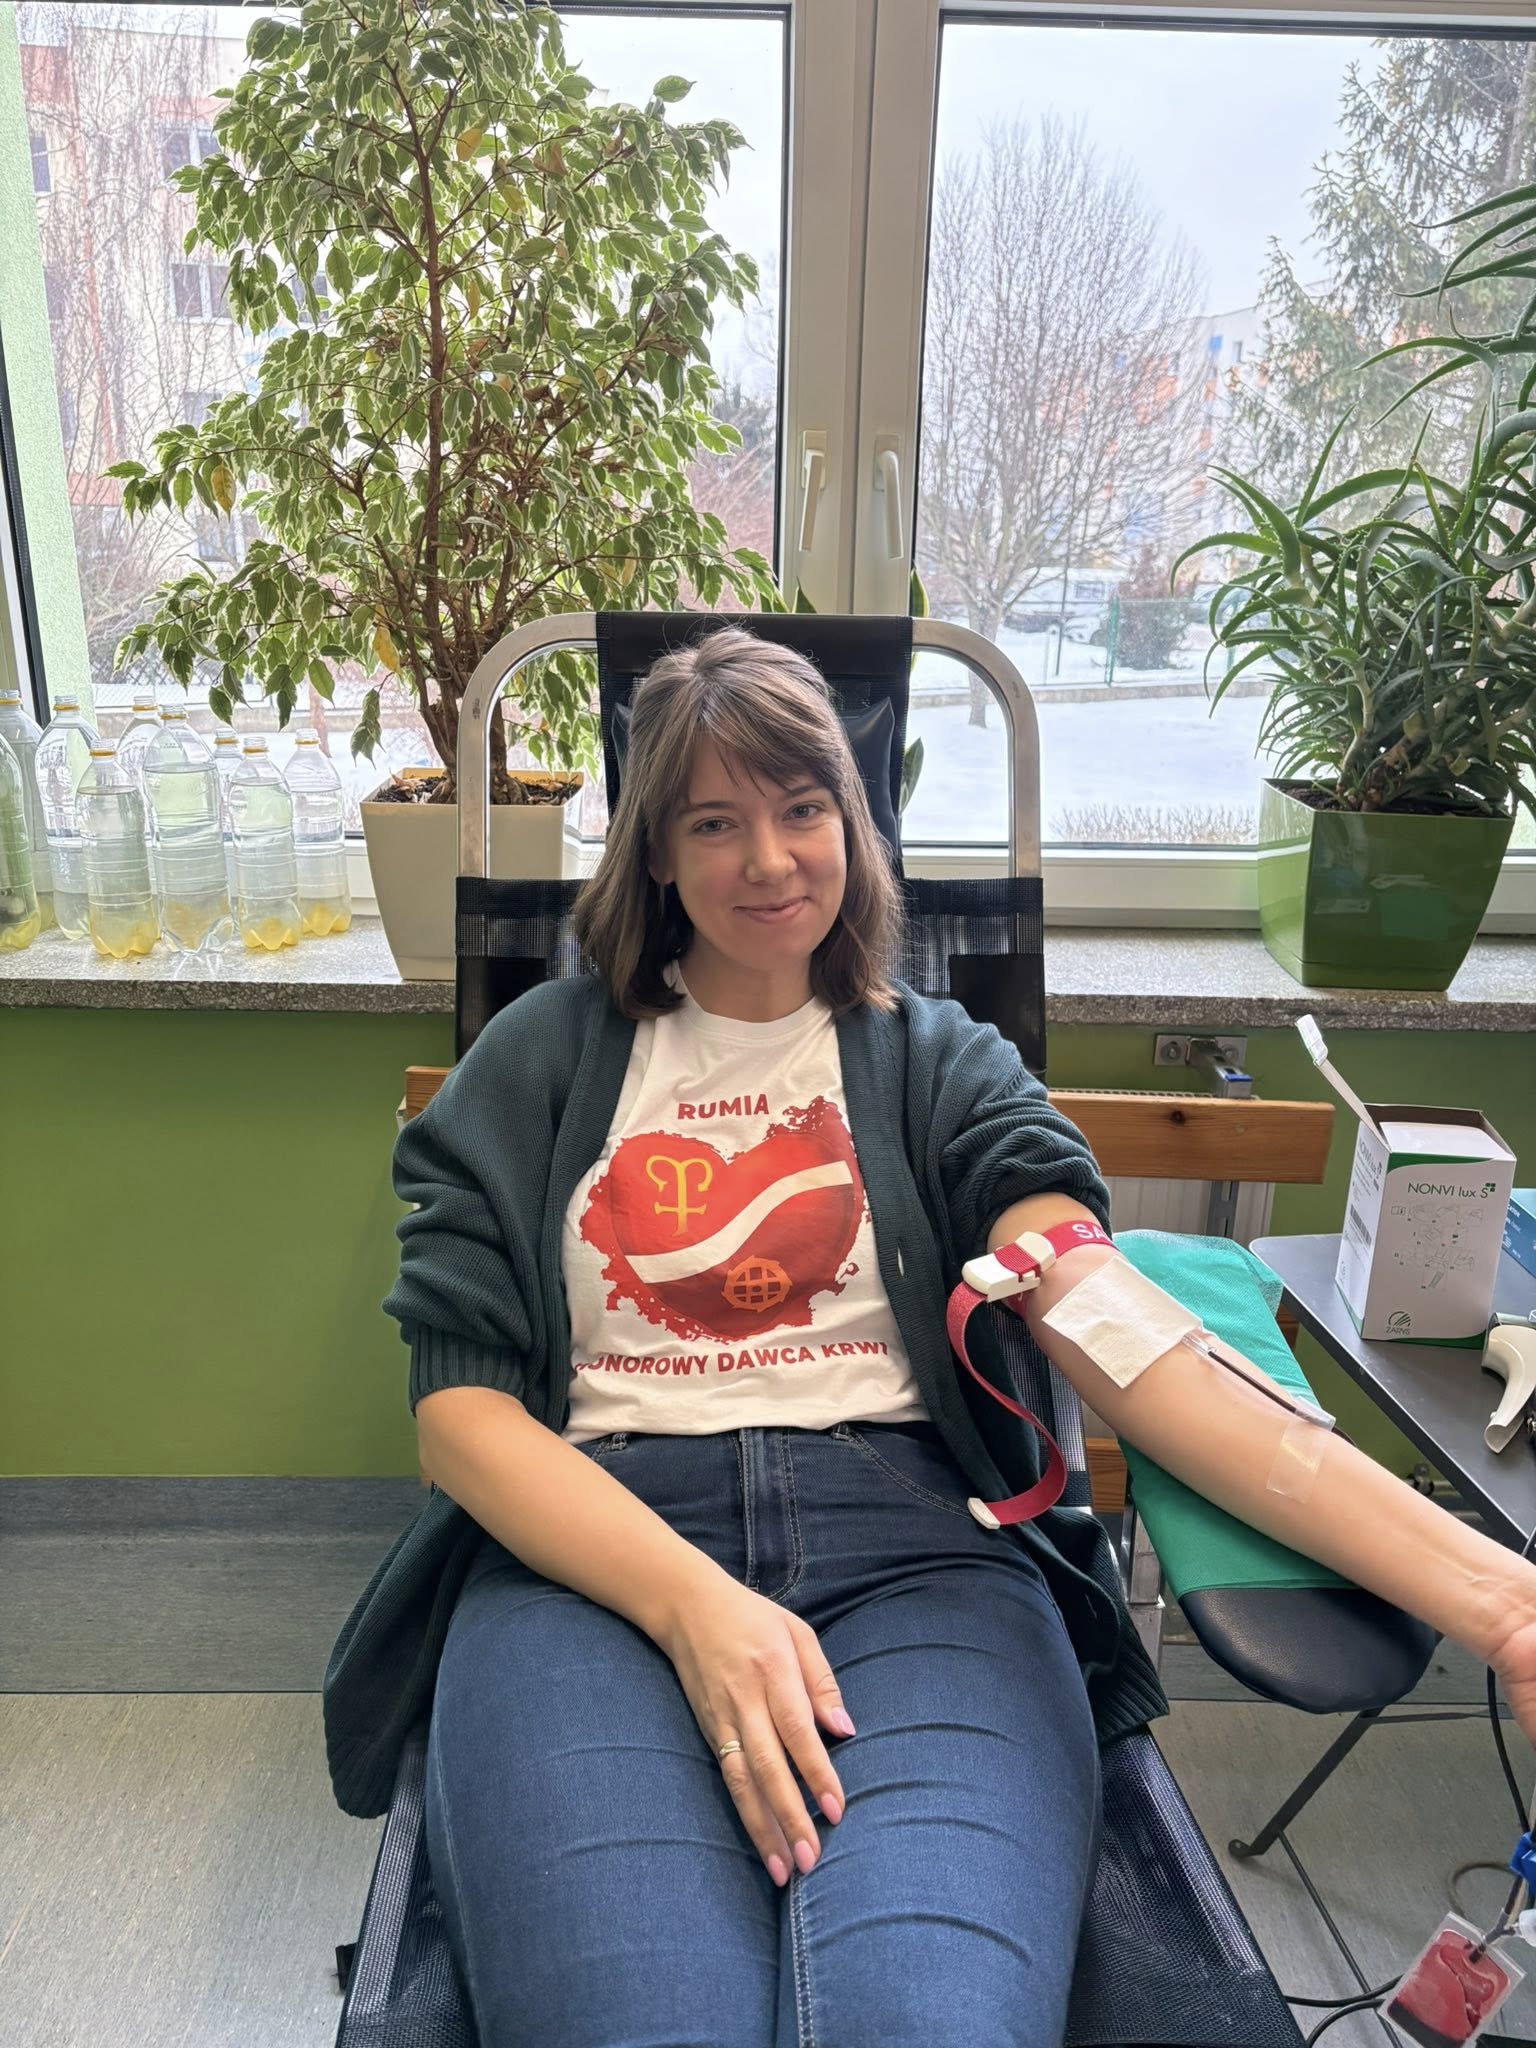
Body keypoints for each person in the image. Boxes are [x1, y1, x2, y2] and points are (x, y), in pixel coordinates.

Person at [336, 624, 1536, 2048]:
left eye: (804, 808)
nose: (771, 860)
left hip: (921, 1558)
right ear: (653, 850)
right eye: (714, 822)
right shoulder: (536, 1061)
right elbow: (460, 1417)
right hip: (591, 1565)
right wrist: (695, 1607)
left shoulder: (941, 1064)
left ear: (854, 820)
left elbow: (1118, 1334)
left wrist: (1505, 1607)